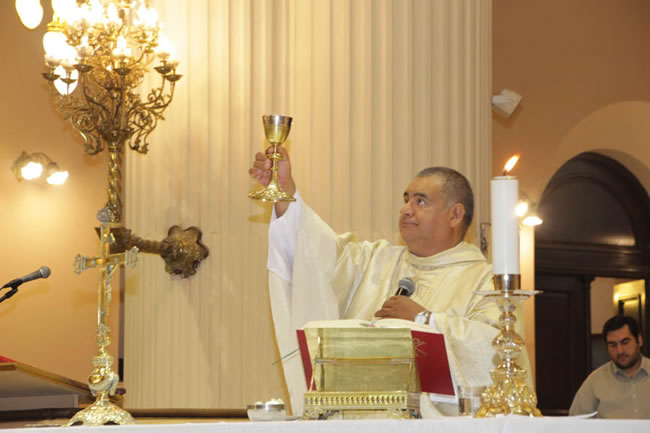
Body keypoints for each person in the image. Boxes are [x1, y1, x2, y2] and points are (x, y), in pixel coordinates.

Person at [250, 147, 531, 416]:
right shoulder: (373, 261)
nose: (406, 209)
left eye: (420, 201)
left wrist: (424, 320)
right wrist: (285, 193)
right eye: (406, 199)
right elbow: (314, 255)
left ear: (455, 214)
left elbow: (495, 351)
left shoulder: (486, 283)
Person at [569, 315, 649, 418]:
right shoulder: (595, 381)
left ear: (639, 340)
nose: (620, 351)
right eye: (613, 345)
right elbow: (576, 421)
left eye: (625, 342)